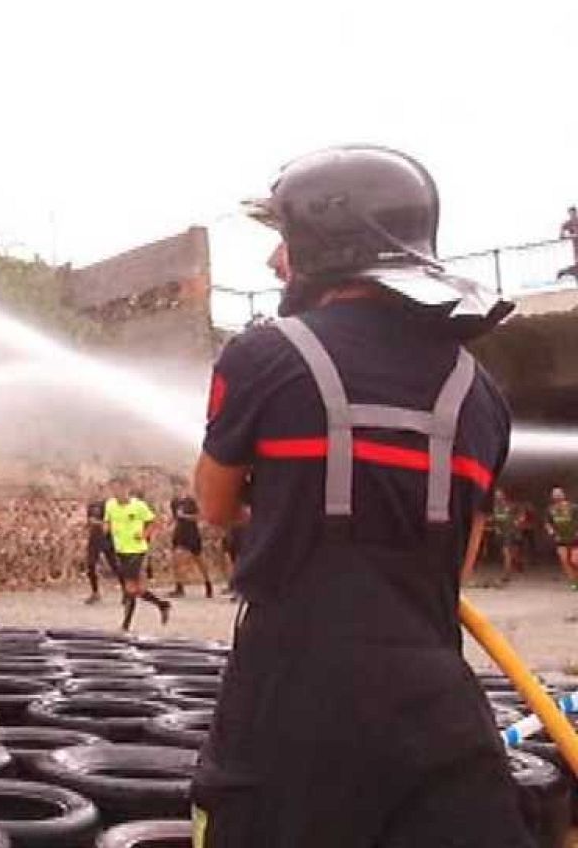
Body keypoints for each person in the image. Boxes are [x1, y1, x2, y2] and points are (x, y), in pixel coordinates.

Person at [193, 146, 526, 846]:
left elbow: (216, 506)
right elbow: (456, 564)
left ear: (327, 243)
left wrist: (290, 503)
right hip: (438, 724)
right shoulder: (483, 394)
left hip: (290, 716)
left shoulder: (263, 356)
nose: (274, 263)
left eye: (283, 241)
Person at [105, 478, 170, 630]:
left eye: (119, 489)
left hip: (136, 550)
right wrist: (106, 528)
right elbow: (107, 521)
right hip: (120, 550)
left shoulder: (138, 506)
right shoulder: (110, 505)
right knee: (136, 589)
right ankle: (162, 604)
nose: (117, 493)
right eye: (113, 490)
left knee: (130, 589)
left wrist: (144, 534)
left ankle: (125, 625)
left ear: (127, 488)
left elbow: (155, 522)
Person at [167, 492, 212, 598]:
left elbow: (199, 516)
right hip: (179, 534)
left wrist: (185, 516)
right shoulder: (174, 502)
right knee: (176, 560)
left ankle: (208, 584)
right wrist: (168, 524)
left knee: (199, 560)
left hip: (192, 534)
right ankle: (179, 587)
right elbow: (175, 517)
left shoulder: (191, 501)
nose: (176, 489)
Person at [83, 497, 119, 604]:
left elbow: (111, 523)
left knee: (115, 565)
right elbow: (89, 521)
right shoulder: (91, 505)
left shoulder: (110, 505)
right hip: (94, 538)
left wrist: (99, 523)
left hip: (107, 539)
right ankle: (95, 592)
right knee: (91, 564)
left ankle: (126, 590)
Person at [546, 487, 578, 589]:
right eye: (555, 494)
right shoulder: (551, 509)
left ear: (563, 495)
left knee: (574, 560)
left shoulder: (573, 507)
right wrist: (551, 531)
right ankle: (574, 581)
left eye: (559, 494)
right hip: (561, 539)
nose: (557, 496)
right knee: (564, 560)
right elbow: (548, 522)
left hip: (574, 538)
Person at [560, 206, 578, 279]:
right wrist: (563, 235)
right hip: (576, 247)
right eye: (570, 213)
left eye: (573, 213)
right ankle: (564, 272)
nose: (572, 214)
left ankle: (564, 272)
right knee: (577, 264)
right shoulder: (568, 223)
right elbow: (562, 229)